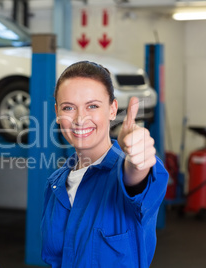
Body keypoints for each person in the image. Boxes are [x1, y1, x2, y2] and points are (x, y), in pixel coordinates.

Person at [41, 61, 168, 267]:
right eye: (68, 107)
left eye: (92, 106)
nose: (80, 119)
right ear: (57, 112)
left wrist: (137, 160)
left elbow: (135, 178)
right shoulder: (55, 185)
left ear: (112, 109)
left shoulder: (123, 172)